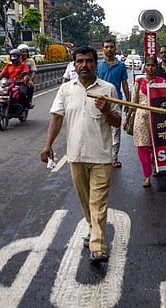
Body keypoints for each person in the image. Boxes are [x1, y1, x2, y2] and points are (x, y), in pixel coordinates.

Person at [40, 46, 121, 262]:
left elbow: (118, 122)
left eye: (88, 61)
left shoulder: (108, 89)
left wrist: (106, 110)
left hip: (102, 156)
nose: (84, 65)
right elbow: (57, 118)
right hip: (75, 155)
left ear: (96, 64)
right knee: (86, 202)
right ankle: (93, 229)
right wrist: (48, 145)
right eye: (80, 61)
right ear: (74, 65)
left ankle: (98, 246)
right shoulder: (66, 90)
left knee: (98, 202)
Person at [124, 56, 165, 187]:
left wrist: (156, 88)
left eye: (153, 65)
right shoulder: (139, 81)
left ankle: (154, 166)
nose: (150, 68)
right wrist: (127, 119)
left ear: (156, 67)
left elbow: (165, 101)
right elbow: (133, 102)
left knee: (155, 146)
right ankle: (146, 176)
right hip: (141, 118)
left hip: (157, 117)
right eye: (148, 65)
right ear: (144, 67)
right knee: (142, 146)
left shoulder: (161, 81)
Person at [96, 39, 130, 168]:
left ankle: (114, 157)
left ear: (115, 48)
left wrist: (128, 102)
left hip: (116, 101)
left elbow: (125, 84)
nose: (109, 49)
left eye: (111, 47)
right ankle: (101, 156)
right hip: (99, 101)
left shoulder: (121, 66)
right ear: (103, 49)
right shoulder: (98, 65)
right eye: (106, 47)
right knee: (100, 128)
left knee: (115, 130)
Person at [17, 44, 36, 108]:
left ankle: (28, 102)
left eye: (26, 52)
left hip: (26, 80)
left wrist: (30, 80)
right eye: (23, 52)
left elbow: (33, 71)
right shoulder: (16, 61)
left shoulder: (30, 61)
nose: (24, 53)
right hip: (16, 80)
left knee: (29, 87)